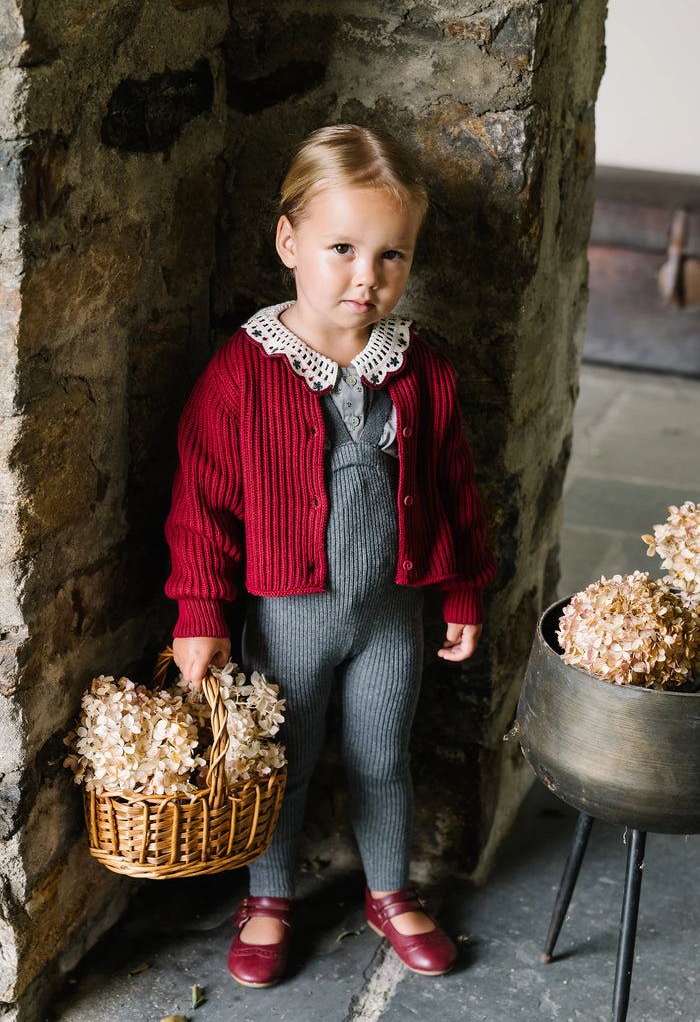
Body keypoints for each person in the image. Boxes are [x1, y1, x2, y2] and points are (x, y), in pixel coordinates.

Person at [165, 124, 496, 988]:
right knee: (284, 757)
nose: (366, 276)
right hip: (291, 620)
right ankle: (269, 896)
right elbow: (200, 504)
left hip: (392, 615)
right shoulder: (244, 371)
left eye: (392, 255)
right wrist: (200, 615)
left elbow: (455, 487)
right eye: (342, 248)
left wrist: (463, 591)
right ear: (289, 243)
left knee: (385, 755)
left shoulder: (418, 368)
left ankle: (389, 890)